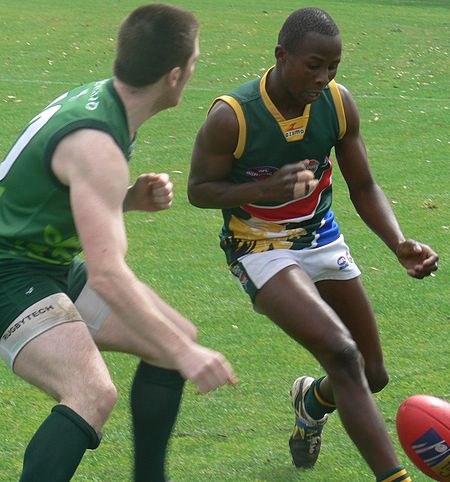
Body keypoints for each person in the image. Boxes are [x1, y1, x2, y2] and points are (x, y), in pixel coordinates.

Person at [188, 6, 438, 482]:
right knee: (342, 353)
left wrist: (399, 242)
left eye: (333, 67)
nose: (324, 77)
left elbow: (363, 186)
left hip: (320, 234)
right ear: (282, 56)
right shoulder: (233, 115)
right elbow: (199, 190)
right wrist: (261, 190)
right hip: (258, 245)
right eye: (314, 65)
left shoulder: (338, 104)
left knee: (371, 374)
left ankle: (311, 400)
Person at [0, 4, 237, 482]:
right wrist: (187, 355)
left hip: (41, 261)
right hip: (10, 271)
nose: (194, 69)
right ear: (174, 76)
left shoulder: (106, 102)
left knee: (169, 339)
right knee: (92, 392)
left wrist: (126, 200)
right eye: (194, 61)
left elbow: (59, 190)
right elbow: (108, 274)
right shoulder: (99, 144)